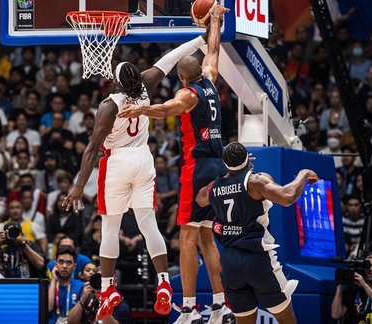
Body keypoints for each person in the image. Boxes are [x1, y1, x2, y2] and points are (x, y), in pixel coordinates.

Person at [63, 9, 230, 319]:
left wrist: (77, 187)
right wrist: (202, 36)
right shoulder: (145, 88)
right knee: (149, 224)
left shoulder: (107, 106)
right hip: (144, 159)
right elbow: (169, 59)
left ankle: (108, 288)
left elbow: (90, 150)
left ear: (115, 80)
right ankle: (164, 282)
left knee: (110, 226)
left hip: (118, 163)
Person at [118, 4, 233, 322]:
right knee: (208, 236)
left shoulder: (188, 95)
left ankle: (189, 308)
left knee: (187, 238)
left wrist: (140, 110)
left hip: (196, 169)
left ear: (181, 77)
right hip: (218, 166)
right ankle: (220, 303)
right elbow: (213, 49)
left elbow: (166, 109)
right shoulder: (210, 78)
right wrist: (216, 22)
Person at [195, 142, 318, 324]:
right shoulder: (256, 181)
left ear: (225, 163)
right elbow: (287, 196)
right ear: (248, 161)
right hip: (257, 259)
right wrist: (304, 173)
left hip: (230, 263)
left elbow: (199, 199)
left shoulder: (214, 187)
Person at [331, 252, 372, 324]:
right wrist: (340, 285)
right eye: (367, 266)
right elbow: (336, 314)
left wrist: (365, 285)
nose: (370, 269)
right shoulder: (354, 290)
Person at [48, 246, 85, 324]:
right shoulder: (48, 287)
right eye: (61, 262)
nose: (64, 266)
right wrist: (54, 279)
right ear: (55, 265)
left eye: (69, 263)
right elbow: (48, 308)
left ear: (74, 266)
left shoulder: (81, 287)